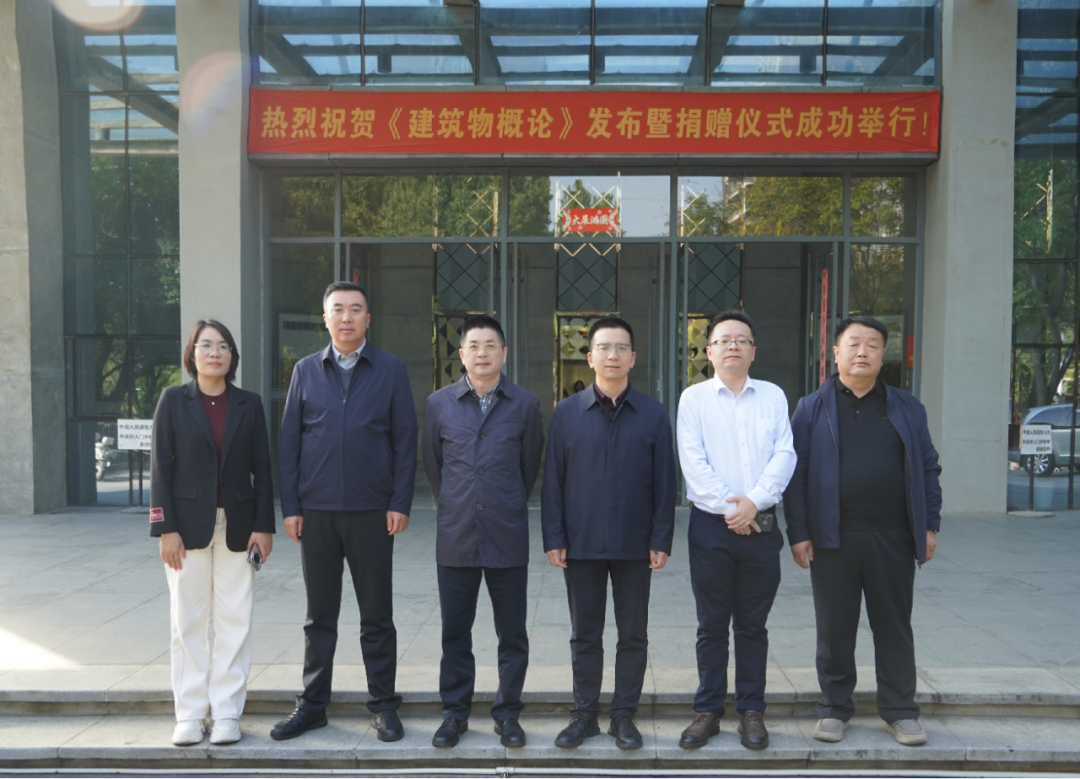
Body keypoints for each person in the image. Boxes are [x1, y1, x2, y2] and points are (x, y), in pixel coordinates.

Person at [783, 316, 942, 747]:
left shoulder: (907, 407)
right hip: (832, 537)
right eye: (853, 343)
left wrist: (929, 524)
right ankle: (834, 709)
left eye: (872, 344)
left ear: (883, 354)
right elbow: (795, 475)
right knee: (835, 628)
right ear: (835, 352)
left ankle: (900, 711)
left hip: (894, 535)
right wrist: (798, 532)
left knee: (894, 626)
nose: (862, 351)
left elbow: (929, 466)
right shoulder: (812, 407)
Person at [272, 281, 418, 742]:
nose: (347, 317)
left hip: (372, 511)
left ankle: (384, 705)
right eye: (338, 309)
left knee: (377, 615)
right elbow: (290, 442)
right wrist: (291, 506)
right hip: (315, 512)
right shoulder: (305, 370)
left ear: (368, 319)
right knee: (319, 616)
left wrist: (399, 501)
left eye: (356, 309)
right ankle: (313, 705)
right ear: (326, 319)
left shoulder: (390, 369)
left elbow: (405, 440)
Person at [541, 316, 676, 751]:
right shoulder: (567, 413)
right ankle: (584, 714)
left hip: (635, 545)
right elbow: (553, 481)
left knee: (633, 634)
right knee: (585, 633)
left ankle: (623, 715)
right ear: (590, 357)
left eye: (621, 348)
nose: (612, 355)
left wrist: (660, 538)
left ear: (633, 358)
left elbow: (665, 483)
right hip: (580, 543)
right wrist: (554, 536)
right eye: (603, 347)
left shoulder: (653, 414)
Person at [150, 319, 275, 747]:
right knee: (187, 621)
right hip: (186, 530)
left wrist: (263, 526)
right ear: (192, 354)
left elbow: (263, 469)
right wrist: (165, 528)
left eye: (222, 346)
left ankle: (226, 713)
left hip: (239, 528)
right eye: (205, 345)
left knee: (235, 621)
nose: (214, 353)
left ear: (232, 356)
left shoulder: (249, 404)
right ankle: (189, 713)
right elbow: (160, 468)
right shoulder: (173, 400)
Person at [675, 310, 796, 750]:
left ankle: (751, 711)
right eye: (723, 340)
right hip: (711, 526)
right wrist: (734, 508)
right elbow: (693, 462)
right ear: (708, 351)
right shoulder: (693, 399)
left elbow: (785, 454)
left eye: (741, 340)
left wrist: (753, 503)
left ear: (753, 352)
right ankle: (708, 710)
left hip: (761, 524)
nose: (732, 346)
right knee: (711, 625)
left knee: (752, 626)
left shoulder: (773, 396)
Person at [422, 315, 544, 749]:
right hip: (456, 535)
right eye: (474, 345)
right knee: (455, 633)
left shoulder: (525, 405)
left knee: (512, 635)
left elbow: (529, 468)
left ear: (504, 353)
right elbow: (434, 467)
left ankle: (507, 714)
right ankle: (454, 714)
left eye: (491, 345)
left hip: (506, 534)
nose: (482, 353)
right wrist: (458, 501)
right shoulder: (439, 404)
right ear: (462, 354)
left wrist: (502, 500)